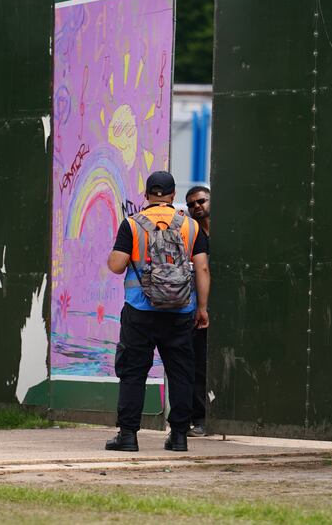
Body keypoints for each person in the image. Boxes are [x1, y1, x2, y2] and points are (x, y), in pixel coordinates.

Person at [105, 171, 210, 452]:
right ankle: (178, 437)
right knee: (181, 373)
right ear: (173, 195)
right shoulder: (191, 227)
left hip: (140, 311)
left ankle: (128, 436)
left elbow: (116, 266)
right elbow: (201, 268)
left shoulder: (131, 224)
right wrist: (201, 308)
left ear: (147, 194)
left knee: (133, 372)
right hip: (180, 312)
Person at [185, 185, 211, 437]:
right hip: (197, 310)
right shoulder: (191, 234)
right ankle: (200, 419)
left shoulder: (227, 233)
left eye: (201, 201)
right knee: (197, 366)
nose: (196, 206)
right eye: (191, 204)